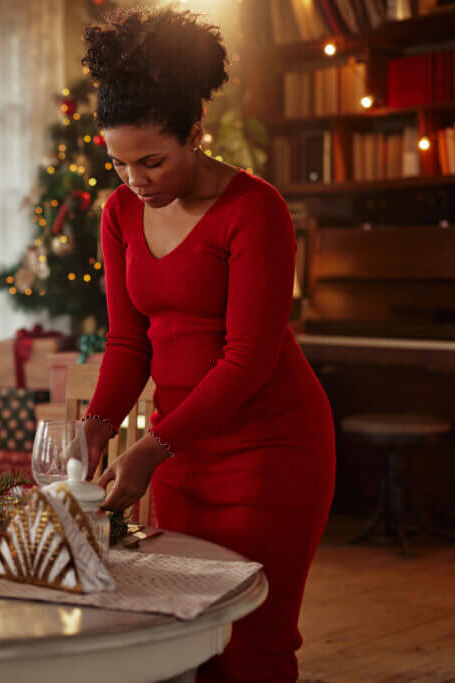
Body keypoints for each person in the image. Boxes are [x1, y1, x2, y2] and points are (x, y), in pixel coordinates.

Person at [79, 7, 336, 682]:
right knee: (189, 642)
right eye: (120, 162)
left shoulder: (256, 210)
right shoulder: (120, 213)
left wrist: (150, 446)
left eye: (153, 161)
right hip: (182, 455)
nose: (136, 180)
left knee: (254, 644)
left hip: (270, 450)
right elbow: (128, 341)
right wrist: (94, 430)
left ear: (197, 133)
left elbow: (247, 359)